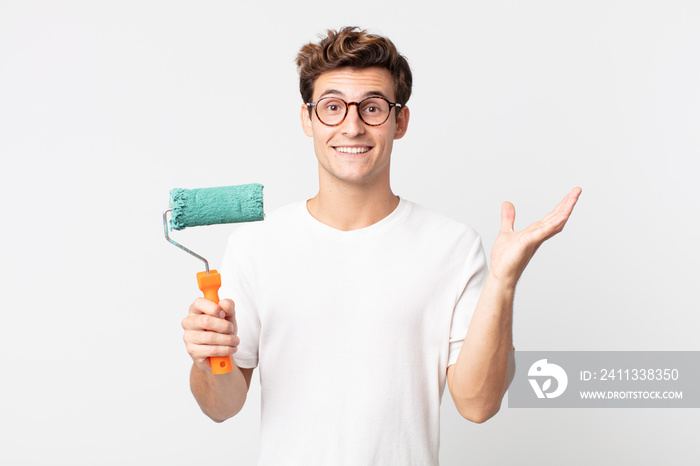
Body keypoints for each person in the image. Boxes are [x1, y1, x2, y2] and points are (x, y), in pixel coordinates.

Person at [181, 27, 581, 465]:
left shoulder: (452, 246)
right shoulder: (254, 247)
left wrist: (503, 283)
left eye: (372, 108)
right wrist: (207, 360)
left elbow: (478, 405)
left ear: (399, 121)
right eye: (332, 107)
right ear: (307, 119)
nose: (352, 126)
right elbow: (222, 406)